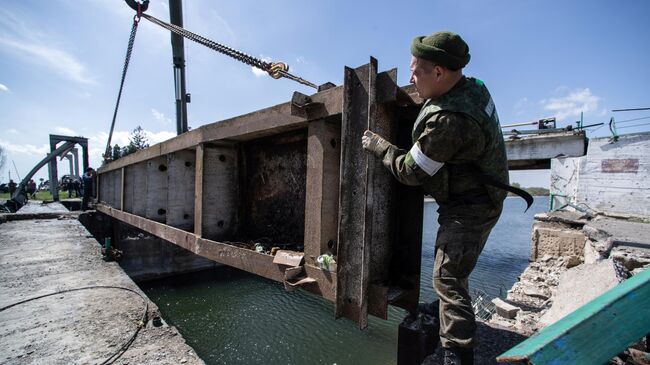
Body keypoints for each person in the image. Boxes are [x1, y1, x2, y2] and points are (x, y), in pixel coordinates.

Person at [362, 31, 510, 365]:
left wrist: (380, 146)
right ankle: (447, 315)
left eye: (416, 71)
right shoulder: (473, 87)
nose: (412, 77)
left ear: (440, 72)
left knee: (447, 276)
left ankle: (457, 354)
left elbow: (411, 171)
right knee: (453, 271)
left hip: (472, 205)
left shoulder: (449, 122)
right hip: (481, 193)